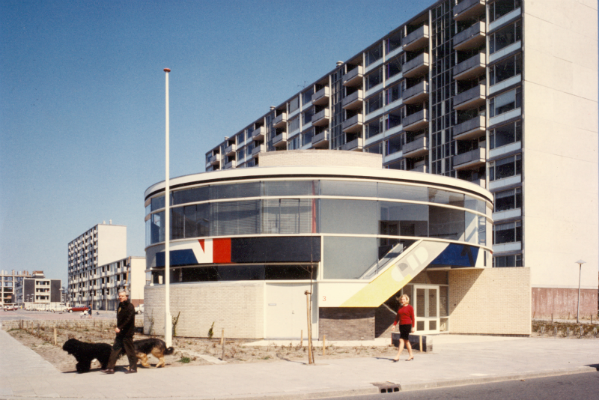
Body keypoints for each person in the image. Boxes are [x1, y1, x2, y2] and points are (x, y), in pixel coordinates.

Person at [102, 290, 137, 374]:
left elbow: (128, 319)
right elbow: (120, 320)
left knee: (130, 350)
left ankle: (133, 368)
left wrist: (120, 328)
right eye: (120, 296)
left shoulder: (130, 306)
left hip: (127, 333)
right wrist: (118, 329)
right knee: (115, 350)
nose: (120, 297)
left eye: (122, 296)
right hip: (120, 333)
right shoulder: (120, 306)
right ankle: (110, 368)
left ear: (127, 297)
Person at [392, 294, 415, 362]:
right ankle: (411, 355)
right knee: (406, 341)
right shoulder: (400, 307)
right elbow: (397, 317)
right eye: (401, 299)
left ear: (407, 299)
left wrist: (413, 327)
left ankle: (397, 356)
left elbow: (413, 318)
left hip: (407, 325)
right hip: (401, 325)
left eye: (404, 299)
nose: (402, 300)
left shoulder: (410, 307)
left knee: (401, 340)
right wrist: (394, 325)